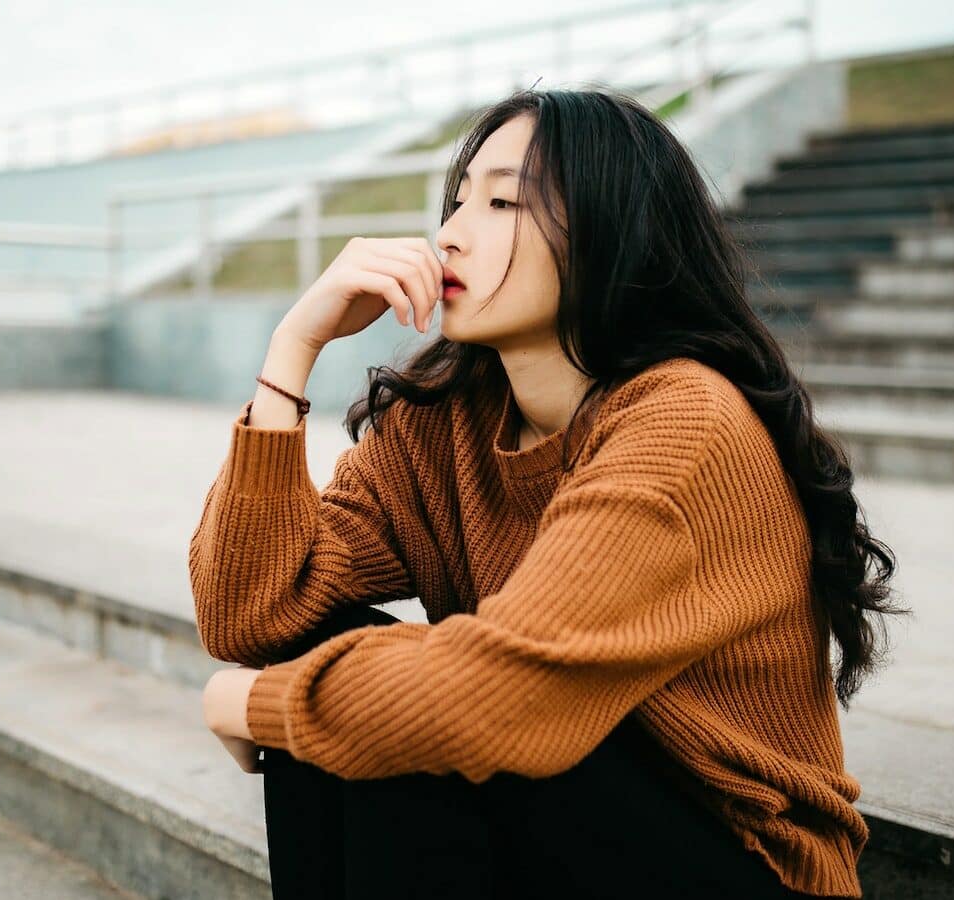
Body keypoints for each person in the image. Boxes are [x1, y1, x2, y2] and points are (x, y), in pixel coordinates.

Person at [189, 86, 906, 899]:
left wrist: (254, 705)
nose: (450, 234)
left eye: (502, 203)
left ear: (609, 234)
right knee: (342, 664)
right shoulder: (444, 421)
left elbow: (504, 697)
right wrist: (292, 350)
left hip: (737, 857)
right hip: (560, 823)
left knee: (419, 715)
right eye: (458, 201)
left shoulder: (685, 422)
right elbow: (251, 614)